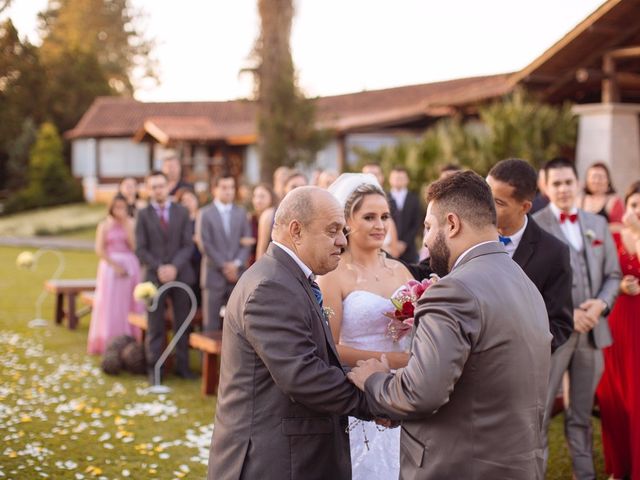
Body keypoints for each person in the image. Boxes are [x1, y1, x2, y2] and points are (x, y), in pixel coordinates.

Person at [349, 171, 552, 479]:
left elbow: (421, 393)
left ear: (453, 224)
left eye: (429, 227)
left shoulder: (452, 290)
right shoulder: (524, 282)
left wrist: (375, 381)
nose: (427, 241)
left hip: (460, 466)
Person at [208, 187, 372, 480]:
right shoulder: (270, 287)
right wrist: (376, 396)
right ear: (296, 231)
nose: (342, 241)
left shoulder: (287, 278)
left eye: (343, 231)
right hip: (275, 462)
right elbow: (303, 375)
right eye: (333, 230)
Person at [318, 173, 414, 479]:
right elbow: (330, 347)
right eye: (369, 217)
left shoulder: (400, 271)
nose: (380, 225)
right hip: (360, 391)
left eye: (384, 216)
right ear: (347, 220)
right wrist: (395, 360)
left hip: (405, 388)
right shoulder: (333, 277)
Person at [533, 157, 621, 479]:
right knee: (539, 417)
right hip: (555, 336)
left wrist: (600, 303)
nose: (564, 189)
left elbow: (613, 274)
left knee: (581, 416)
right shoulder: (535, 226)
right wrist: (571, 314)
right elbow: (530, 286)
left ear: (577, 183)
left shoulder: (596, 224)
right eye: (556, 183)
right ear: (545, 187)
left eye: (568, 182)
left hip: (594, 333)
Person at [487, 158, 573, 352]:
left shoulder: (554, 253)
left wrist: (517, 349)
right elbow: (430, 268)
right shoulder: (471, 232)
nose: (486, 206)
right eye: (485, 195)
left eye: (498, 202)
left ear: (525, 207)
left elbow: (560, 325)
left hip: (516, 366)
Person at [596, 180, 640, 480]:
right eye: (635, 204)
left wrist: (636, 233)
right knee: (614, 396)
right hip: (617, 322)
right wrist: (620, 286)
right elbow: (601, 275)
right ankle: (618, 465)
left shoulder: (633, 234)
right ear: (626, 206)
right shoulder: (610, 235)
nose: (638, 211)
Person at [135, 171, 196, 381]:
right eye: (153, 187)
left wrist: (174, 267)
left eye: (161, 186)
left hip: (181, 275)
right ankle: (155, 370)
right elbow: (141, 249)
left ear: (167, 187)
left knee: (182, 323)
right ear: (148, 189)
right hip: (154, 276)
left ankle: (183, 366)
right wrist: (161, 267)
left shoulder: (182, 212)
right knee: (155, 325)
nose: (158, 190)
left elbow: (188, 245)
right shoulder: (142, 215)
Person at [87, 194, 142, 354]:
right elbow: (99, 249)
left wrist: (126, 225)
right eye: (116, 207)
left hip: (130, 265)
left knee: (128, 303)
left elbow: (134, 246)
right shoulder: (104, 226)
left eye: (122, 207)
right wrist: (115, 266)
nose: (119, 211)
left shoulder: (131, 223)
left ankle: (131, 340)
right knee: (110, 304)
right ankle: (108, 341)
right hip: (110, 268)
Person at [196, 174, 252, 331]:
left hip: (237, 275)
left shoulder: (241, 213)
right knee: (211, 325)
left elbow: (246, 242)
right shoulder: (205, 214)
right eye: (224, 187)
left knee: (238, 325)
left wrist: (236, 264)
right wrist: (224, 266)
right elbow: (205, 244)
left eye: (232, 188)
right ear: (215, 190)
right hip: (213, 275)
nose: (229, 191)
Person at [255, 170, 308, 260]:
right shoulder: (269, 215)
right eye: (293, 186)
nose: (298, 190)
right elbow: (261, 250)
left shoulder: (312, 217)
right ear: (285, 188)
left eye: (302, 187)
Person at [361, 163, 405, 258]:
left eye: (384, 216)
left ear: (382, 177)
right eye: (368, 217)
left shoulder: (391, 201)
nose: (372, 178)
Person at [387, 166, 422, 263]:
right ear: (390, 179)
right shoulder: (384, 197)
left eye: (401, 178)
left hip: (409, 249)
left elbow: (417, 223)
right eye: (396, 178)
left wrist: (404, 243)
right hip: (387, 248)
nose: (398, 181)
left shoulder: (414, 199)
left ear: (407, 180)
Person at [174, 188, 202, 305]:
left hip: (201, 260)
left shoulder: (203, 216)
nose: (188, 203)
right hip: (185, 262)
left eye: (190, 199)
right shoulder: (177, 220)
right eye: (183, 200)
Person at [248, 183, 275, 265]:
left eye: (262, 196)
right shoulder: (250, 218)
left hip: (265, 263)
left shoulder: (273, 216)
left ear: (271, 197)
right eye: (255, 196)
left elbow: (261, 249)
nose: (258, 200)